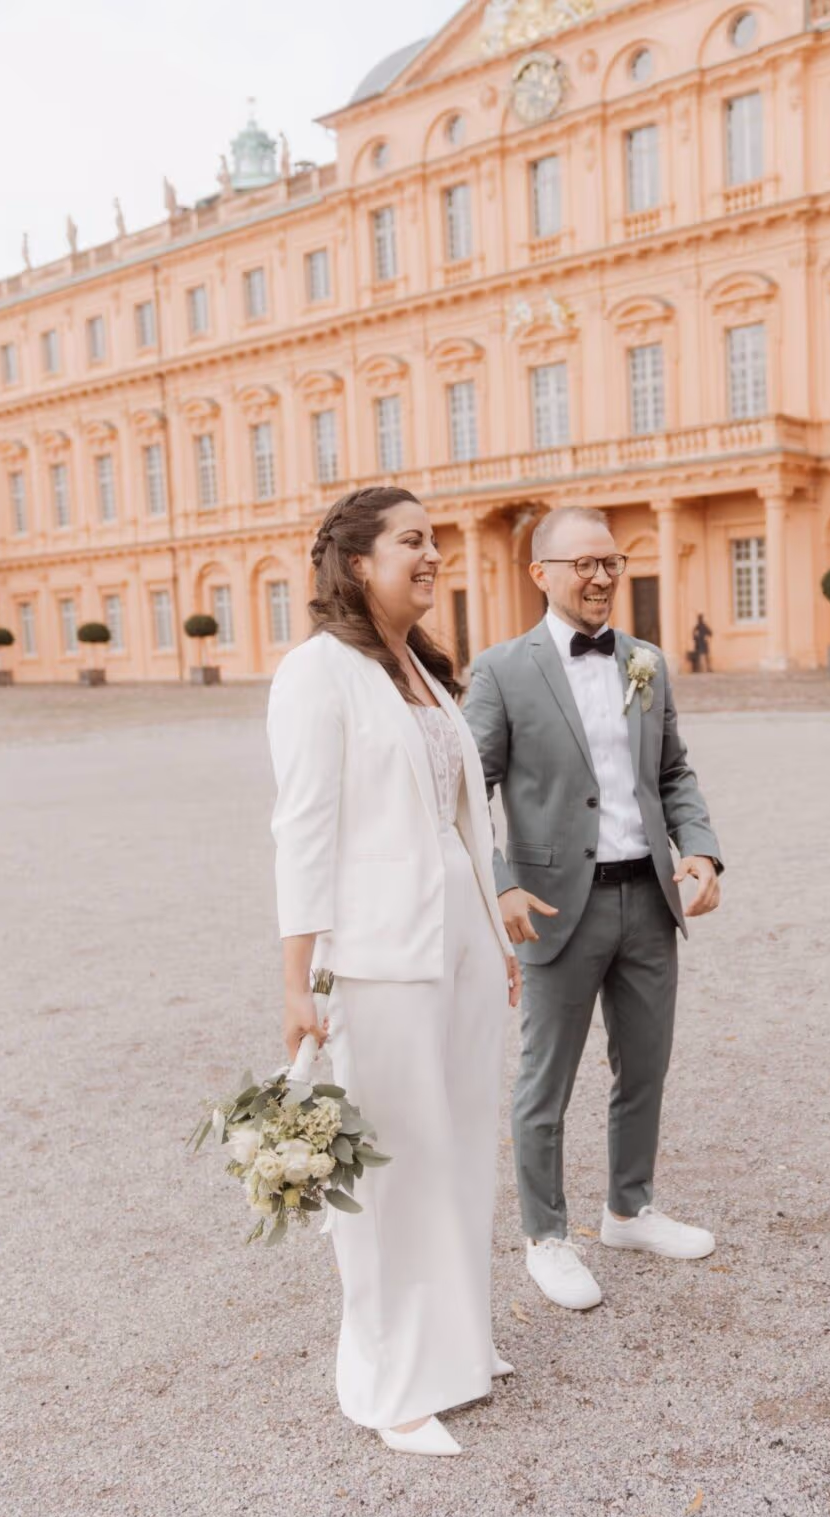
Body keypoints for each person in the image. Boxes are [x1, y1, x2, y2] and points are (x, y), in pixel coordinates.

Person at [267, 486, 521, 1457]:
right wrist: (297, 980)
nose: (432, 555)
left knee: (456, 1147)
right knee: (386, 1168)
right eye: (412, 540)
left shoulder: (421, 668)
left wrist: (493, 940)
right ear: (356, 560)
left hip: (455, 942)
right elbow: (302, 832)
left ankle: (457, 1348)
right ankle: (386, 1381)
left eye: (436, 540)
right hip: (375, 956)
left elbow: (466, 818)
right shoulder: (315, 673)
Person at [464, 506, 723, 1312]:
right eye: (582, 563)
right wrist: (499, 881)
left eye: (610, 561)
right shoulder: (502, 670)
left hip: (647, 898)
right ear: (540, 574)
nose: (601, 576)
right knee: (546, 1081)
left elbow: (673, 771)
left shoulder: (645, 660)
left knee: (643, 1066)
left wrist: (701, 847)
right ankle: (545, 1237)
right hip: (551, 906)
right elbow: (468, 791)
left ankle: (629, 1209)